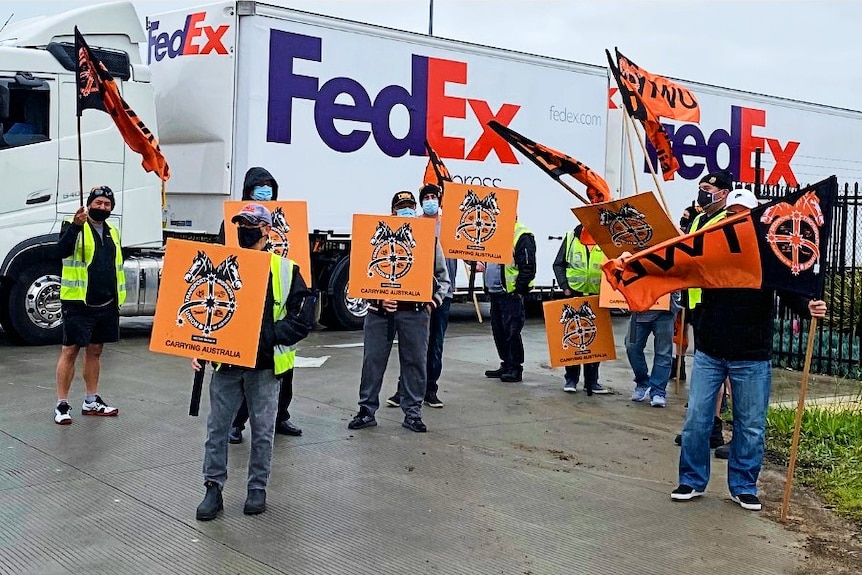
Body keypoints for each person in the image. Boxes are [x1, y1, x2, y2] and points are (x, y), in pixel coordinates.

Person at [671, 187, 828, 511]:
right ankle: (691, 479)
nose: (736, 220)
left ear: (754, 218)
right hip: (710, 351)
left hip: (752, 356)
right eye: (731, 214)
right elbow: (674, 266)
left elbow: (790, 289)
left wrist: (808, 306)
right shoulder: (710, 250)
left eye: (743, 215)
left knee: (751, 425)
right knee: (697, 420)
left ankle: (743, 485)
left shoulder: (768, 256)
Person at [194, 203, 314, 520]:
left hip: (264, 368)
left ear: (266, 230)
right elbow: (209, 313)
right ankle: (213, 489)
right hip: (226, 367)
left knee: (262, 432)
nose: (244, 229)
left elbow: (302, 320)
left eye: (250, 224)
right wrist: (199, 348)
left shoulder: (287, 270)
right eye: (240, 224)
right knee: (217, 430)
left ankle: (257, 489)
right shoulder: (223, 265)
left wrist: (268, 337)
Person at [348, 191, 450, 433]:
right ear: (392, 211)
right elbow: (361, 277)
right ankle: (366, 410)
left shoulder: (429, 241)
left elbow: (443, 279)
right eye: (401, 207)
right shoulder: (374, 239)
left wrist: (432, 303)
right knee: (372, 361)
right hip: (380, 313)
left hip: (415, 313)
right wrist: (379, 297)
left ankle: (413, 413)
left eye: (409, 207)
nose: (406, 211)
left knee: (415, 363)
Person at [214, 167, 302, 443]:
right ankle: (236, 423)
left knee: (282, 371)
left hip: (275, 308)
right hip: (242, 307)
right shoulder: (232, 225)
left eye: (269, 189)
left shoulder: (289, 224)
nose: (265, 194)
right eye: (258, 189)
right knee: (241, 372)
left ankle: (280, 417)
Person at [53, 186, 124, 425]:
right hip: (78, 301)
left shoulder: (113, 231)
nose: (102, 207)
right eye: (98, 203)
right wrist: (75, 225)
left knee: (95, 351)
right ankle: (62, 404)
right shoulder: (74, 225)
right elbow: (60, 252)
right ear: (90, 204)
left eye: (107, 204)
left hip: (105, 302)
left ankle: (91, 400)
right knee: (70, 351)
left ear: (111, 208)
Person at [387, 183, 457, 409]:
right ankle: (403, 390)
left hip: (440, 295)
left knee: (435, 345)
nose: (430, 201)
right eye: (425, 197)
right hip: (414, 297)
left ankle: (430, 390)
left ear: (439, 200)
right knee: (412, 347)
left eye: (433, 197)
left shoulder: (451, 225)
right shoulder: (413, 225)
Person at [551, 223, 608, 395]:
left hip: (597, 297)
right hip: (574, 294)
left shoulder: (605, 239)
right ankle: (571, 379)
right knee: (575, 339)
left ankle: (592, 382)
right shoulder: (571, 237)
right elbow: (558, 264)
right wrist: (565, 287)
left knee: (594, 342)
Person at [483, 217, 536, 383]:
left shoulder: (521, 235)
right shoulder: (494, 232)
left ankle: (515, 367)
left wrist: (518, 290)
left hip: (510, 293)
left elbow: (528, 266)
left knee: (512, 331)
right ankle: (506, 364)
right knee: (499, 331)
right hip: (496, 292)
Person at [627, 293, 681, 408]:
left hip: (664, 312)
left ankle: (658, 391)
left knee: (663, 352)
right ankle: (643, 383)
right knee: (632, 347)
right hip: (638, 311)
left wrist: (675, 301)